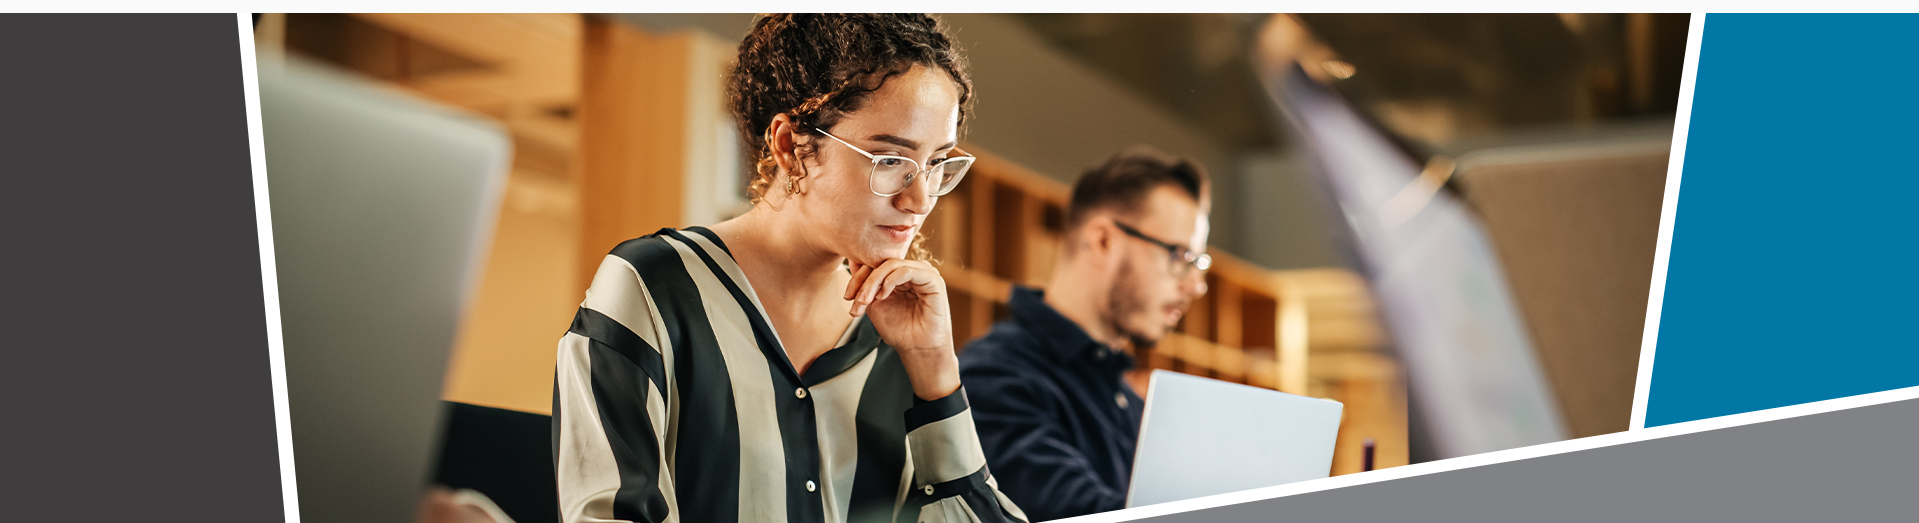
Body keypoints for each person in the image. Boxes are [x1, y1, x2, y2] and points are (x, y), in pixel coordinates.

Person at [551, 14, 1027, 523]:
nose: (920, 199)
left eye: (936, 165)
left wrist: (936, 374)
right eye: (891, 160)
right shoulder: (654, 287)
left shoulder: (899, 341)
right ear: (791, 146)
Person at [956, 147, 1212, 521]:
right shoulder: (994, 378)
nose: (1196, 286)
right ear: (1104, 240)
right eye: (1179, 256)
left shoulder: (1130, 403)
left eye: (1198, 263)